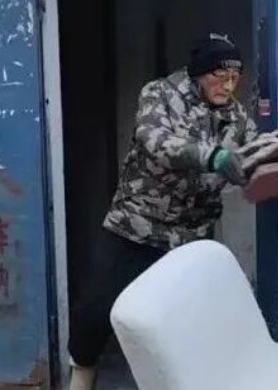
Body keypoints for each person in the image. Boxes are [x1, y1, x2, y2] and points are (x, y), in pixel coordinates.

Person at [68, 32, 258, 390]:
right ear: (199, 73)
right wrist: (213, 156)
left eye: (234, 78)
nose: (227, 86)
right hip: (137, 227)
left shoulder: (237, 117)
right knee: (96, 310)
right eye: (220, 77)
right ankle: (82, 373)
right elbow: (155, 141)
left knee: (185, 320)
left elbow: (253, 158)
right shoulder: (159, 95)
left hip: (191, 237)